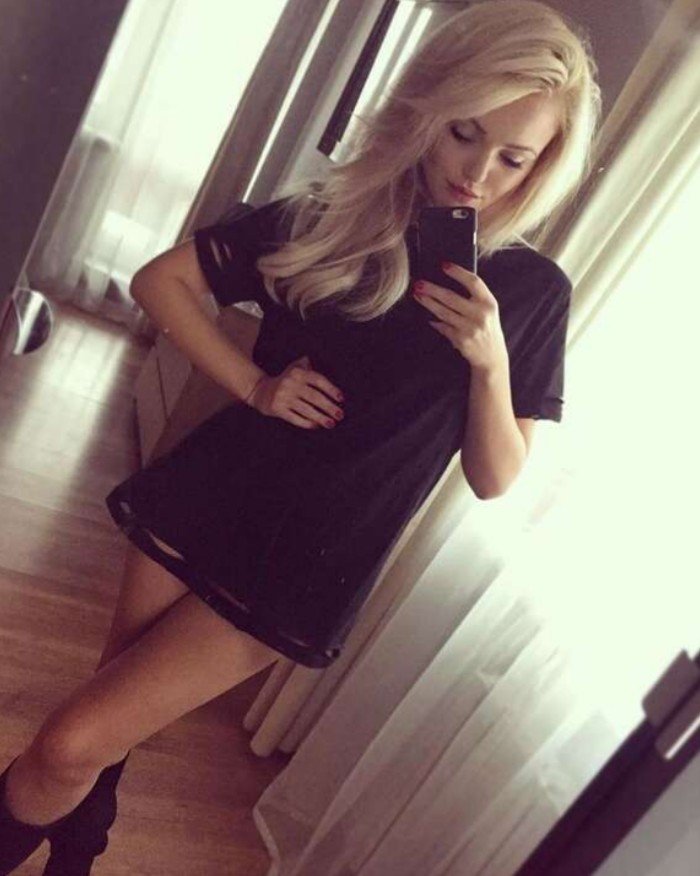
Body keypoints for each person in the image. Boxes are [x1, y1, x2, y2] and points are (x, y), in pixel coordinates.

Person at [0, 0, 601, 871]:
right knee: (105, 722)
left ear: (544, 163)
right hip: (211, 491)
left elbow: (495, 476)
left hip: (306, 558)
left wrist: (490, 360)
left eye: (515, 156)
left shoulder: (530, 292)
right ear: (427, 109)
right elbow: (160, 281)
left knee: (70, 740)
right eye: (464, 133)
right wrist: (255, 385)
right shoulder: (333, 215)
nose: (478, 173)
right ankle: (79, 847)